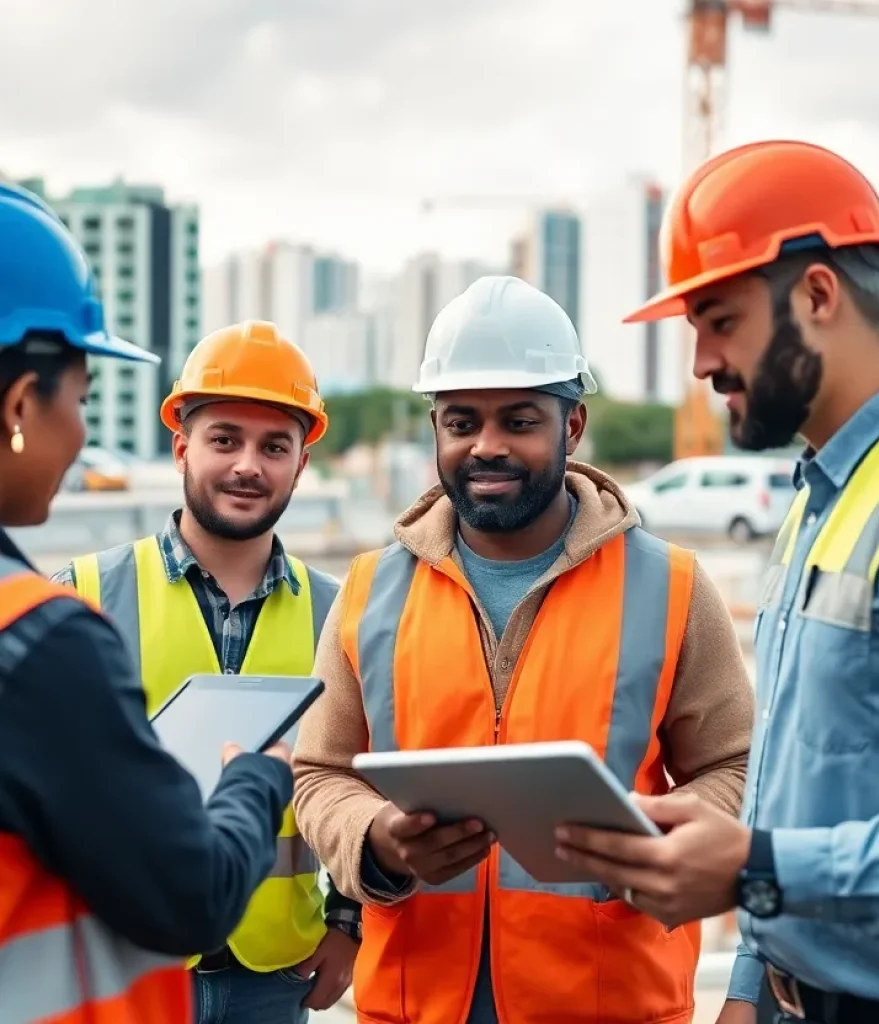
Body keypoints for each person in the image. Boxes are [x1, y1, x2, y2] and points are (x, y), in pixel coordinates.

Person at [552, 140, 879, 1024]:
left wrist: (756, 871)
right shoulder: (823, 494)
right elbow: (799, 771)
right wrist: (750, 977)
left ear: (817, 295)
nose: (698, 362)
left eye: (719, 320)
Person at [290, 274, 754, 1024]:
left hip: (609, 1003)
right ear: (436, 430)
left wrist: (654, 837)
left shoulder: (670, 586)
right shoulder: (369, 590)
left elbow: (734, 764)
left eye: (519, 421)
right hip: (414, 1007)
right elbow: (320, 774)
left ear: (571, 429)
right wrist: (377, 842)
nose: (488, 446)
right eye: (462, 421)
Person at [0, 183, 295, 1022]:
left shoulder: (336, 605)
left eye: (274, 445)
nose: (85, 436)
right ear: (23, 402)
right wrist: (249, 785)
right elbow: (189, 896)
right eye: (83, 399)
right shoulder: (41, 635)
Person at [52, 320, 362, 1024]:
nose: (248, 465)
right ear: (182, 445)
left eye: (274, 446)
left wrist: (349, 924)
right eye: (225, 439)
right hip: (126, 967)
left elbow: (361, 775)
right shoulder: (84, 592)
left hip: (275, 975)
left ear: (301, 464)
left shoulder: (339, 612)